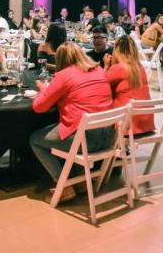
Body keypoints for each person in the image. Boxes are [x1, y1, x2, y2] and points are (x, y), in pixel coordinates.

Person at [29, 42, 114, 202]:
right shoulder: (99, 70)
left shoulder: (64, 75)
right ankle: (82, 182)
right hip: (109, 137)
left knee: (35, 140)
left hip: (86, 141)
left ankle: (64, 185)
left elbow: (39, 107)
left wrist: (43, 89)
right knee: (78, 129)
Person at [104, 36, 153, 134]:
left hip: (127, 126)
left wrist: (106, 67)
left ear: (116, 51)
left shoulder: (118, 68)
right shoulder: (140, 68)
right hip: (146, 124)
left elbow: (99, 85)